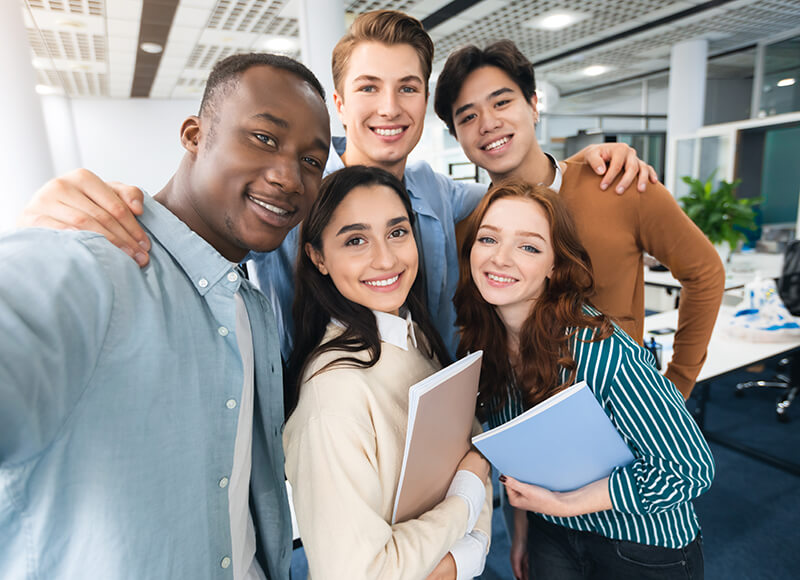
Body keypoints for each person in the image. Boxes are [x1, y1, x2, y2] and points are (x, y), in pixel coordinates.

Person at [17, 11, 656, 361]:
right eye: (370, 88)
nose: (391, 107)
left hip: (431, 394)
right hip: (328, 406)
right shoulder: (294, 197)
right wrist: (91, 209)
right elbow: (203, 222)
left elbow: (518, 199)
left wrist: (582, 160)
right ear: (342, 103)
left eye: (408, 88)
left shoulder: (439, 191)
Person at [0, 53, 331, 579]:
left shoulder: (249, 304)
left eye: (312, 162)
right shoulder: (92, 264)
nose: (290, 178)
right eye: (265, 138)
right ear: (195, 135)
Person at [434, 40, 725, 398]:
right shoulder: (471, 227)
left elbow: (705, 273)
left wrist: (677, 384)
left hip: (621, 407)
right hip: (516, 413)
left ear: (534, 105)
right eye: (468, 116)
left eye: (502, 102)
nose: (488, 123)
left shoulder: (619, 183)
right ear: (457, 136)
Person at [454, 180, 714, 580]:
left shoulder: (600, 350)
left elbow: (689, 468)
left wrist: (569, 503)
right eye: (488, 239)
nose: (500, 259)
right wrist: (521, 533)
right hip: (552, 533)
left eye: (528, 246)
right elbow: (519, 455)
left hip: (640, 544)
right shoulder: (483, 345)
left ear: (554, 266)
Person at [282, 165, 492, 579]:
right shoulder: (334, 397)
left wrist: (469, 549)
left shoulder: (414, 336)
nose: (386, 258)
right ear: (318, 257)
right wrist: (467, 500)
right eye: (356, 240)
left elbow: (469, 454)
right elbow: (360, 574)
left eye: (397, 232)